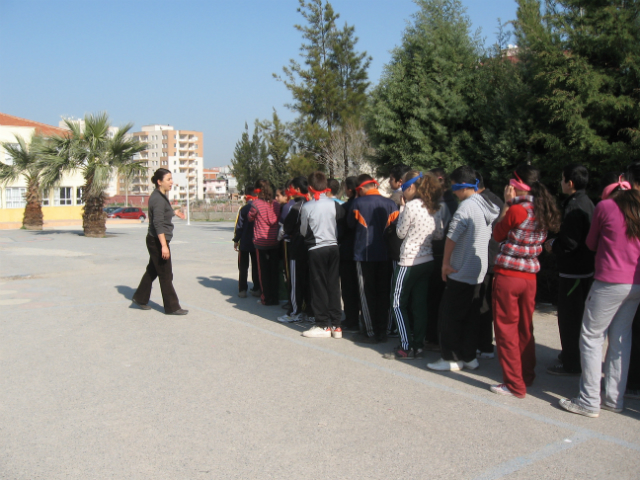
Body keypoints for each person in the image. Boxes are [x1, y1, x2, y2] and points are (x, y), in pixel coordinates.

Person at [559, 163, 640, 417]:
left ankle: (589, 400)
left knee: (592, 338)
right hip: (636, 283)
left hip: (608, 282)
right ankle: (614, 399)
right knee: (620, 339)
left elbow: (591, 243)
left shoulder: (605, 207)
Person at [489, 166, 561, 398]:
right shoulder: (542, 208)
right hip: (529, 276)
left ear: (517, 186)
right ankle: (526, 376)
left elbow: (497, 234)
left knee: (506, 329)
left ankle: (514, 384)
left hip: (509, 275)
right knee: (524, 327)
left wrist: (508, 204)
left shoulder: (516, 210)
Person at [427, 166, 499, 371]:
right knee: (471, 315)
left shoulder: (466, 207)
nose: (453, 191)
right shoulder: (486, 204)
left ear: (461, 186)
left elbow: (452, 237)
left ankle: (450, 358)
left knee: (450, 315)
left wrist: (445, 264)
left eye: (454, 187)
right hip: (478, 268)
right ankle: (468, 357)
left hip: (461, 268)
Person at [385, 171, 444, 360]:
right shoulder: (435, 207)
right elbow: (438, 236)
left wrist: (402, 210)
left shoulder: (410, 207)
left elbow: (401, 233)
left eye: (404, 188)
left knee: (397, 302)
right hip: (427, 260)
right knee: (420, 305)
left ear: (411, 187)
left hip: (408, 262)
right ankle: (418, 345)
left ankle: (405, 345)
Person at [545, 164, 595, 376]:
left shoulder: (575, 207)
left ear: (570, 183)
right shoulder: (587, 202)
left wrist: (553, 245)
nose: (561, 183)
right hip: (585, 270)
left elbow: (570, 243)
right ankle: (572, 354)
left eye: (562, 179)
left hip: (574, 272)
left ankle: (571, 362)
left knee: (569, 318)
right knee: (578, 316)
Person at [347, 174, 399, 343]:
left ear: (360, 189)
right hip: (386, 254)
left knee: (366, 293)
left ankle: (370, 332)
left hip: (364, 253)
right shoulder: (391, 204)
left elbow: (350, 225)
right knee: (384, 292)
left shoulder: (357, 203)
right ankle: (382, 330)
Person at [132, 168, 188, 315]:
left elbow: (163, 213)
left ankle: (139, 298)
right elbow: (157, 223)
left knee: (153, 270)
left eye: (171, 179)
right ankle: (172, 307)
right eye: (168, 179)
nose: (171, 182)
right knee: (166, 274)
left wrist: (174, 212)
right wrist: (164, 246)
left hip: (157, 239)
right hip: (157, 240)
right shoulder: (157, 198)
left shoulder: (161, 196)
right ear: (159, 181)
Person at [299, 171, 345, 338]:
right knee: (333, 285)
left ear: (310, 188)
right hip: (333, 247)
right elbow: (340, 222)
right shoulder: (335, 204)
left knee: (319, 286)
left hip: (316, 248)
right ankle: (337, 326)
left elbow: (303, 230)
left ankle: (322, 324)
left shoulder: (307, 206)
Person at [425, 167, 456, 350]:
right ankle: (437, 336)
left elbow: (437, 233)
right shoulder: (453, 202)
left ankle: (433, 337)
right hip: (446, 255)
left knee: (434, 298)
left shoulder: (440, 204)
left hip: (437, 254)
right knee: (440, 298)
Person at [476, 172, 504, 359]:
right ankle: (486, 343)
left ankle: (485, 345)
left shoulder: (481, 202)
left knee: (483, 303)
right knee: (488, 303)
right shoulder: (496, 200)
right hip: (495, 257)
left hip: (487, 258)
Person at [278, 176, 313, 323]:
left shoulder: (297, 207)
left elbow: (285, 229)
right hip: (313, 248)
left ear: (297, 190)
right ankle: (310, 312)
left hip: (297, 248)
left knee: (295, 282)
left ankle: (295, 311)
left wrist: (278, 239)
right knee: (310, 282)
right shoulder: (315, 204)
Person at [248, 179, 282, 306]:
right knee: (274, 271)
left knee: (263, 272)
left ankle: (266, 297)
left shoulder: (256, 204)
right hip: (274, 240)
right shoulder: (276, 204)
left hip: (261, 241)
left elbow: (250, 217)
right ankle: (275, 297)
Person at [338, 176, 360, 332]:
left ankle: (351, 318)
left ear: (350, 189)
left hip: (347, 251)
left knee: (348, 287)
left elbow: (340, 231)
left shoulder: (346, 207)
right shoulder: (363, 205)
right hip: (363, 251)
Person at [233, 187, 261, 298]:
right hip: (256, 241)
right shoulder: (259, 208)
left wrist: (236, 240)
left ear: (246, 196)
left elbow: (239, 226)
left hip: (244, 242)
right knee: (255, 265)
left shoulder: (243, 209)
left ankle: (242, 290)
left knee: (243, 266)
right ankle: (257, 288)